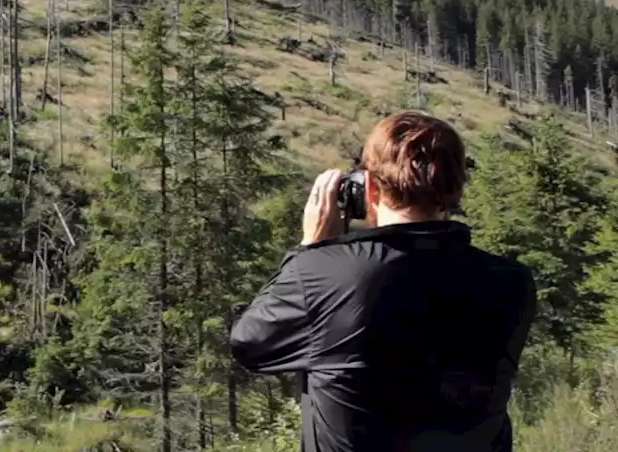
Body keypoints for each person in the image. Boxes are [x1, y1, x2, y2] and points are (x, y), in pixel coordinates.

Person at [229, 111, 537, 451]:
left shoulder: (325, 275)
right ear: (455, 188)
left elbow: (249, 344)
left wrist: (310, 249)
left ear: (369, 187)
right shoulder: (513, 283)